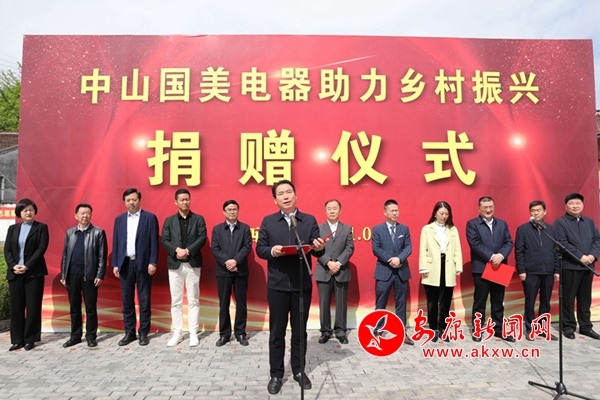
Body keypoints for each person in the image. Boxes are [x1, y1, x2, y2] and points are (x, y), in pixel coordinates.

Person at [256, 180, 325, 395]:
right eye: (281, 193)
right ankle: (276, 374)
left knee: (299, 332)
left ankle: (298, 370)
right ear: (275, 199)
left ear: (296, 195)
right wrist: (273, 251)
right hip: (277, 285)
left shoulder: (308, 220)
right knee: (277, 333)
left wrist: (320, 248)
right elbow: (260, 249)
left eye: (289, 192)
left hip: (301, 285)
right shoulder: (269, 221)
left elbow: (317, 250)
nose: (285, 196)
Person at [112, 188, 159, 346]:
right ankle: (129, 332)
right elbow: (116, 243)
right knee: (127, 300)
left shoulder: (149, 218)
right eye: (128, 200)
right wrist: (115, 264)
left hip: (143, 264)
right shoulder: (119, 219)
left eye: (134, 199)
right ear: (124, 202)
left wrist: (153, 262)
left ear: (139, 200)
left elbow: (154, 242)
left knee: (144, 299)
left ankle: (144, 332)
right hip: (125, 264)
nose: (131, 202)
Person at [161, 188, 207, 347]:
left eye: (187, 199)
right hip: (175, 265)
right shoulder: (169, 221)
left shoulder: (198, 219)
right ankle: (177, 333)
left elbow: (202, 238)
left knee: (193, 299)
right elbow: (165, 240)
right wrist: (176, 250)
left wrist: (188, 251)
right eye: (182, 200)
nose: (185, 202)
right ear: (176, 202)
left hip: (192, 263)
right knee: (176, 300)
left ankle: (193, 333)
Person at [466, 196, 514, 342]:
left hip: (500, 267)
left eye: (490, 207)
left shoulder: (502, 223)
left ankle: (498, 329)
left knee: (498, 301)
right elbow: (475, 244)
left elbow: (508, 242)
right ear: (479, 209)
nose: (488, 210)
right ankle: (477, 329)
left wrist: (500, 255)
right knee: (480, 302)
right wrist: (492, 256)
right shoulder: (472, 224)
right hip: (482, 268)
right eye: (485, 207)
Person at [60, 203, 108, 348]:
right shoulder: (70, 233)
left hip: (90, 276)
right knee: (74, 307)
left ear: (91, 215)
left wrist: (99, 274)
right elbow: (65, 255)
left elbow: (102, 256)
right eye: (82, 213)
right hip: (72, 275)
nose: (85, 216)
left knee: (90, 308)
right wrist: (64, 274)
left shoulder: (98, 232)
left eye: (88, 213)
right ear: (76, 216)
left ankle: (91, 336)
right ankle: (75, 336)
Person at [4, 198, 49, 351]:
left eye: (31, 210)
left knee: (33, 307)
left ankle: (30, 339)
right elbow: (7, 249)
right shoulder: (13, 229)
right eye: (25, 210)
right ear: (19, 212)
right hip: (15, 273)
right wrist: (13, 266)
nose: (28, 212)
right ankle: (17, 340)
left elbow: (41, 249)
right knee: (16, 308)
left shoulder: (41, 228)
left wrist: (27, 266)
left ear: (35, 211)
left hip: (34, 274)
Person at [554, 193, 600, 340]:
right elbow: (562, 243)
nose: (575, 206)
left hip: (588, 267)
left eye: (578, 203)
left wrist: (592, 256)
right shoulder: (560, 222)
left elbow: (597, 240)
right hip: (570, 266)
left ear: (583, 205)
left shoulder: (589, 222)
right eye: (572, 203)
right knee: (568, 299)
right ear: (566, 206)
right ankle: (568, 327)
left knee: (585, 299)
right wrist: (581, 257)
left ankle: (586, 327)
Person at [515, 200, 559, 341]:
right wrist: (522, 270)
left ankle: (543, 329)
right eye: (533, 211)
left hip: (548, 271)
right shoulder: (523, 229)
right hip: (531, 271)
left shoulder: (551, 230)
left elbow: (556, 251)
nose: (536, 213)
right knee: (530, 301)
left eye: (538, 210)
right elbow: (519, 251)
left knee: (545, 302)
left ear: (544, 212)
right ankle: (530, 328)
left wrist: (557, 270)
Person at [418, 201, 462, 342]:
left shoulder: (452, 229)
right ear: (435, 213)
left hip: (448, 266)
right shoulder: (427, 229)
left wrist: (458, 266)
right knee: (432, 301)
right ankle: (433, 329)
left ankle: (443, 328)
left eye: (446, 214)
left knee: (445, 301)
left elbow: (457, 249)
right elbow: (423, 249)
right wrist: (424, 267)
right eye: (441, 213)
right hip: (432, 267)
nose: (444, 216)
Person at [372, 199, 414, 346]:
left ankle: (402, 332)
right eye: (392, 210)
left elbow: (408, 247)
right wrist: (391, 260)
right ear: (385, 212)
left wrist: (399, 259)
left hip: (401, 271)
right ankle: (377, 329)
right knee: (381, 302)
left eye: (397, 210)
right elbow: (376, 249)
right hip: (384, 270)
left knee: (401, 302)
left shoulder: (404, 229)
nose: (395, 213)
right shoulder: (377, 229)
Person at [211, 199, 252, 347]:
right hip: (223, 272)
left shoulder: (245, 228)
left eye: (234, 209)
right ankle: (224, 334)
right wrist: (227, 262)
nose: (232, 212)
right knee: (224, 304)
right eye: (229, 209)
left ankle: (240, 332)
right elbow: (215, 248)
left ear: (238, 211)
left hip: (240, 271)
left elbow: (247, 247)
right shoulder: (217, 229)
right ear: (224, 212)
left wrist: (235, 261)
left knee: (241, 303)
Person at [315, 199, 354, 345]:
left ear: (340, 210)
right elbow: (315, 248)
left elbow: (350, 248)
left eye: (335, 208)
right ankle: (325, 332)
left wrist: (338, 263)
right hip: (323, 270)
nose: (332, 211)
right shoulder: (318, 228)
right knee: (324, 303)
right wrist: (328, 262)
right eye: (329, 209)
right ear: (325, 211)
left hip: (341, 271)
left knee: (341, 303)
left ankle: (341, 331)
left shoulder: (347, 228)